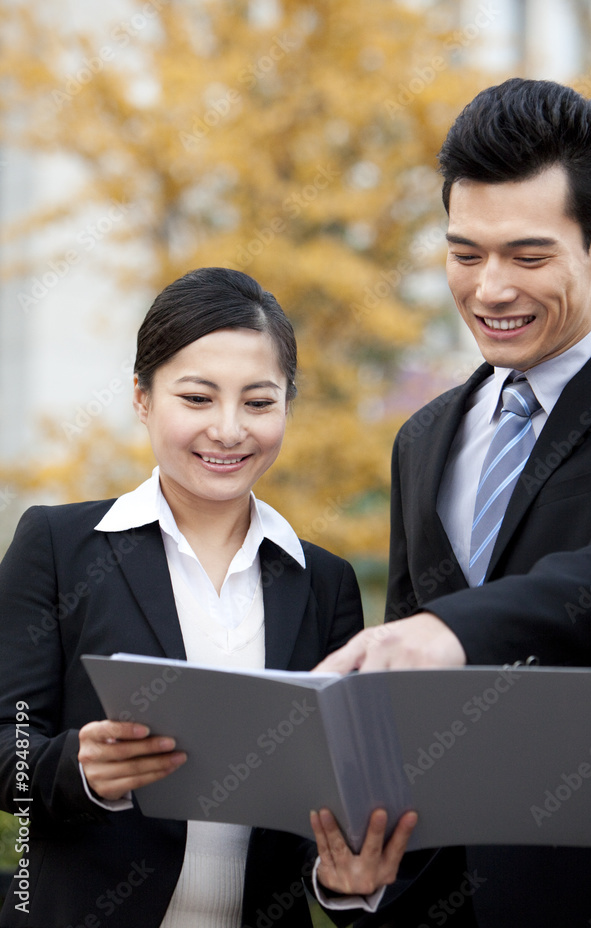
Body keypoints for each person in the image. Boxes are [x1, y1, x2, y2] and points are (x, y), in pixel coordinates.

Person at [316, 79, 591, 927]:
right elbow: (405, 704)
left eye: (527, 256)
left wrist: (451, 629)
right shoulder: (422, 439)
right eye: (465, 255)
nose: (490, 290)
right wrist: (360, 880)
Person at [0, 267, 413, 928]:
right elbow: (8, 749)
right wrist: (77, 768)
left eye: (258, 402)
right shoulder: (58, 546)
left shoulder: (321, 582)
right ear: (141, 397)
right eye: (196, 399)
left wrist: (339, 880)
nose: (228, 430)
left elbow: (325, 796)